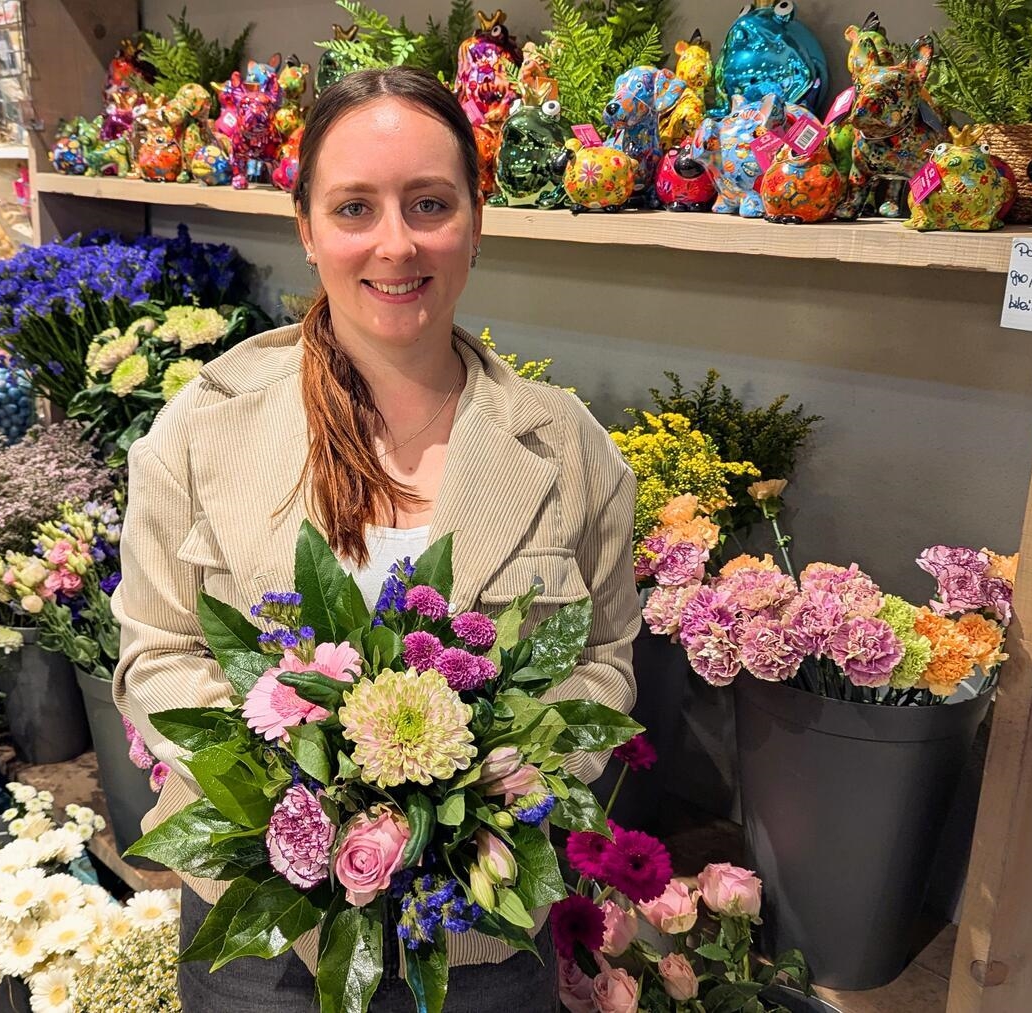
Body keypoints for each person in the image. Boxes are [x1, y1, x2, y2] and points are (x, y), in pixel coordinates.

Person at [112, 65, 640, 1011]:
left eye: (429, 203)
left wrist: (504, 767)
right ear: (307, 228)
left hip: (482, 937)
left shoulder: (568, 448)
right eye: (355, 207)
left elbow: (602, 659)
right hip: (265, 942)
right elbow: (154, 653)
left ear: (477, 222)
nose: (396, 244)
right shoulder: (200, 432)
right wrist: (300, 774)